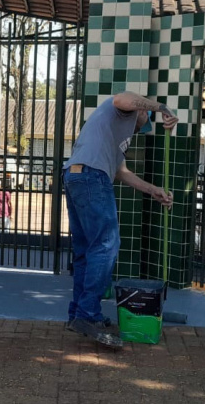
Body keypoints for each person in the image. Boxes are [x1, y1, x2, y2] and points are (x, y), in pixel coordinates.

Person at [62, 92, 178, 348]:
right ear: (141, 110)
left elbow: (122, 172)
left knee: (86, 251)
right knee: (106, 245)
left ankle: (77, 315)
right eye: (144, 117)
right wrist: (162, 107)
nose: (142, 123)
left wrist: (154, 191)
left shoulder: (116, 135)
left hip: (75, 176)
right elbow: (121, 98)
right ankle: (86, 314)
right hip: (92, 178)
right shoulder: (119, 110)